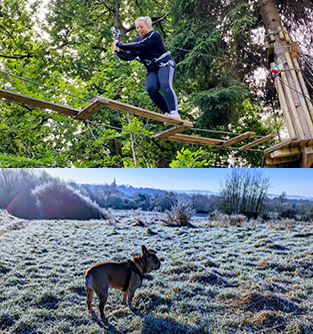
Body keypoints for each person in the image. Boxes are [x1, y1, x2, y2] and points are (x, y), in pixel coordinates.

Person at [113, 16, 180, 119]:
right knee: (151, 88)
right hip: (152, 68)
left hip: (164, 63)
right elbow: (130, 56)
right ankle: (167, 113)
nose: (139, 30)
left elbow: (140, 45)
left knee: (165, 85)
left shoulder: (154, 35)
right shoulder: (137, 39)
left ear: (148, 26)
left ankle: (174, 113)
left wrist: (120, 44)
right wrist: (118, 51)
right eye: (137, 28)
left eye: (141, 27)